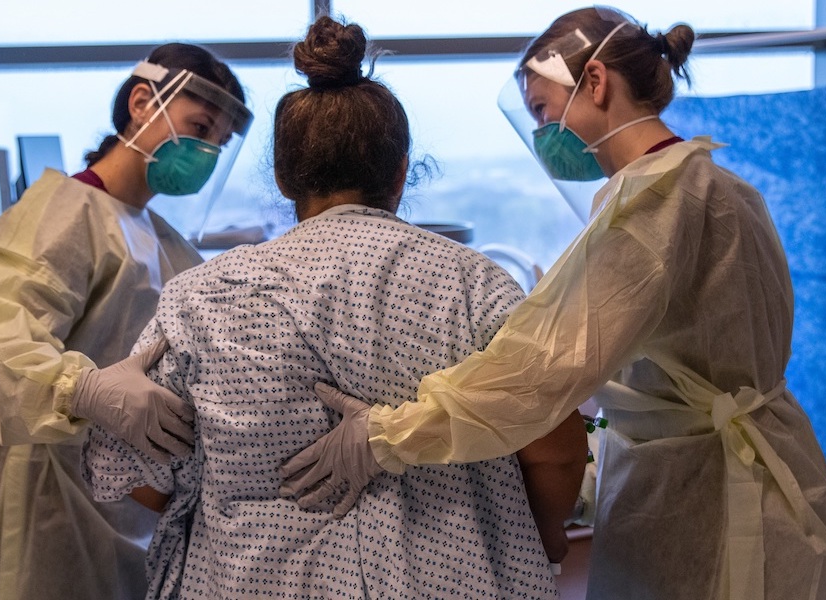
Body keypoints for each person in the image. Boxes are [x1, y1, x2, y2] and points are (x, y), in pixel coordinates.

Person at [280, 7, 826, 599]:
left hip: (703, 491)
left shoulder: (652, 206)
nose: (543, 133)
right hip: (755, 466)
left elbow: (540, 374)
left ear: (595, 82)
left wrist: (387, 435)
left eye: (542, 110)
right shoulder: (717, 186)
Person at [80, 16, 585, 599]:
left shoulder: (201, 297)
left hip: (246, 582)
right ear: (399, 174)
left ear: (283, 177)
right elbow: (556, 451)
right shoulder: (478, 287)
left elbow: (141, 476)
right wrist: (540, 539)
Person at [0, 43, 252, 600]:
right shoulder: (62, 213)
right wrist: (86, 390)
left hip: (128, 495)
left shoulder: (155, 234)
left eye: (218, 144)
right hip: (52, 492)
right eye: (200, 127)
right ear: (143, 102)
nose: (205, 152)